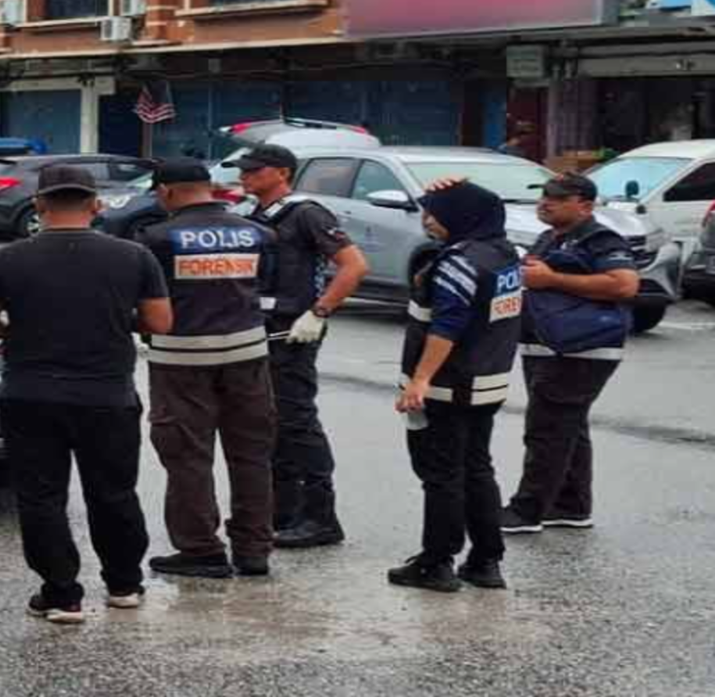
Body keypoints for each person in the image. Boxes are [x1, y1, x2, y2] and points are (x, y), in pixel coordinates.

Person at [0, 164, 173, 624]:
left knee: (41, 496)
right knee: (114, 492)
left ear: (39, 205)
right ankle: (123, 584)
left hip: (29, 393)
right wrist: (115, 322)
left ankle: (62, 594)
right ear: (96, 205)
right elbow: (160, 323)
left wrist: (19, 328)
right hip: (106, 395)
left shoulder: (5, 259)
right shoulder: (133, 257)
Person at [139, 159, 278, 579]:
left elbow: (145, 303)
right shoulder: (259, 233)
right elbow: (268, 290)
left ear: (165, 192)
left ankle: (200, 549)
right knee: (252, 454)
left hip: (180, 360)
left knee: (187, 456)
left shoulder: (157, 239)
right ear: (210, 187)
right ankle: (254, 550)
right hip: (248, 356)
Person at [228, 144, 369, 549]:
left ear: (281, 173)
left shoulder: (306, 212)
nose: (246, 176)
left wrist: (319, 312)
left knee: (296, 421)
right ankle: (283, 511)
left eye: (255, 171)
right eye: (244, 170)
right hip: (263, 326)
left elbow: (354, 265)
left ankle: (320, 517)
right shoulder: (256, 215)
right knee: (271, 423)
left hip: (295, 330)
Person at [389, 180, 522, 592]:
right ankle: (486, 559)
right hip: (488, 380)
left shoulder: (460, 262)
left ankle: (436, 562)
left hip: (449, 385)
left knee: (441, 475)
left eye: (437, 213)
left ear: (462, 218)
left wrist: (421, 380)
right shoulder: (504, 254)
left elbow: (447, 326)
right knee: (477, 469)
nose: (428, 219)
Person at [502, 173, 639, 535]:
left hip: (582, 349)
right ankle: (570, 506)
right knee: (569, 427)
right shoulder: (549, 238)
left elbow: (624, 285)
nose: (546, 201)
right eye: (545, 194)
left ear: (586, 205)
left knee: (547, 429)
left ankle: (526, 511)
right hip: (546, 346)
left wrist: (552, 280)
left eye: (559, 197)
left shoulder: (600, 238)